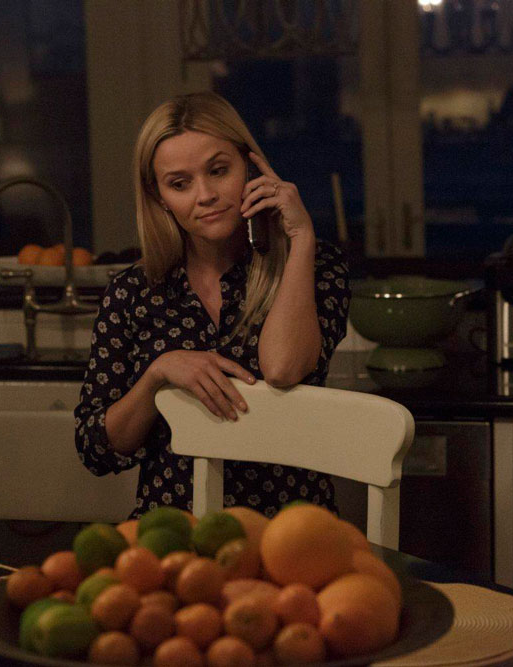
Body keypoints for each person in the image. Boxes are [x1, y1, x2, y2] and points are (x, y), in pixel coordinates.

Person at [74, 92, 350, 519]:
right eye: (179, 183)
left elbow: (282, 368)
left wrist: (301, 237)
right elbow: (96, 448)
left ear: (251, 168)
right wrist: (157, 374)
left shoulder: (315, 265)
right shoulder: (132, 292)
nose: (204, 195)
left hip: (288, 531)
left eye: (218, 171)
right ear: (160, 197)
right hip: (171, 533)